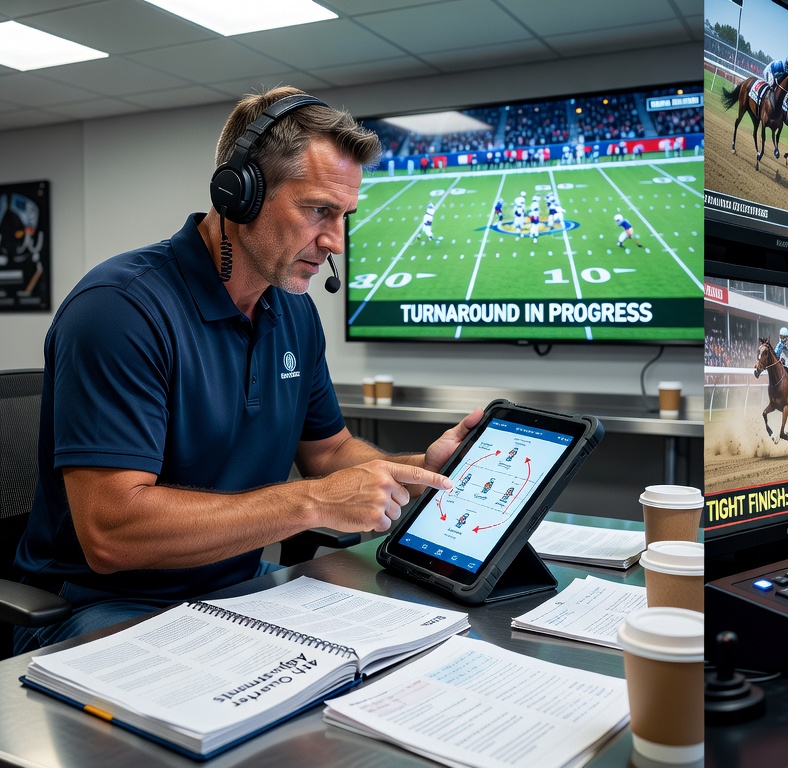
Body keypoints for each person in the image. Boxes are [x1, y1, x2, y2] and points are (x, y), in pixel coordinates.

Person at [12, 86, 482, 654]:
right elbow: (112, 533)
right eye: (317, 211)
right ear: (240, 194)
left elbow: (329, 454)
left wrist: (416, 468)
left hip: (238, 592)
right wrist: (312, 501)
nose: (335, 241)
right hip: (101, 609)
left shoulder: (294, 312)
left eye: (343, 216)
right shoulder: (120, 308)